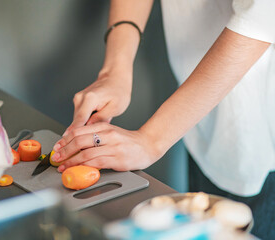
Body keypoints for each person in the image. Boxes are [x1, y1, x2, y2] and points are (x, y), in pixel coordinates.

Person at [51, 0, 275, 238]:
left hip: (260, 131)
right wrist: (115, 69)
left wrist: (151, 140)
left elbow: (260, 19)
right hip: (199, 116)